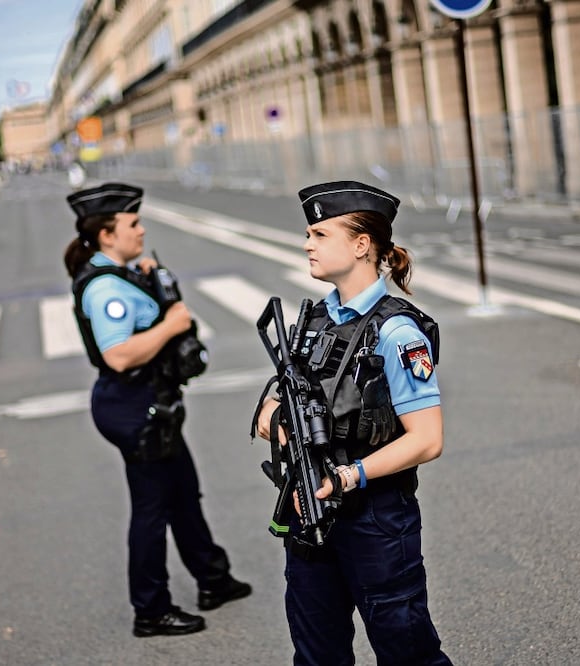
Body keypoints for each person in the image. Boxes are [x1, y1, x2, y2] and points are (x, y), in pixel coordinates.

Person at [253, 181, 454, 665]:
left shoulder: (396, 332)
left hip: (375, 519)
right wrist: (293, 441)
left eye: (320, 234)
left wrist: (346, 476)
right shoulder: (316, 320)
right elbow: (269, 412)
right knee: (317, 654)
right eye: (308, 234)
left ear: (362, 245)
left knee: (407, 653)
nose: (307, 244)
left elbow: (427, 440)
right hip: (308, 508)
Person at [63, 182, 251, 638]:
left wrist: (151, 276)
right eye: (133, 224)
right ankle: (150, 610)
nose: (141, 229)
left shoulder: (120, 273)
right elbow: (119, 355)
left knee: (184, 490)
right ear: (107, 234)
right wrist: (170, 326)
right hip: (133, 404)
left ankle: (212, 578)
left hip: (153, 402)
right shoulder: (105, 286)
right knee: (151, 509)